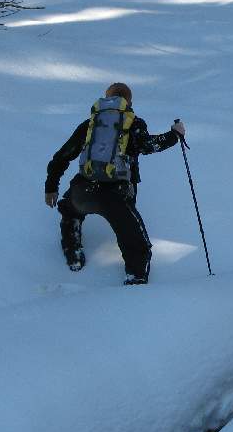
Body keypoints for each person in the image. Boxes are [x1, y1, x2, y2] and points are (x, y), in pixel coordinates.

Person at [44, 82, 185, 285]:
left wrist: (51, 187)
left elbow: (62, 156)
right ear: (129, 102)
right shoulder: (134, 123)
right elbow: (149, 146)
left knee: (69, 209)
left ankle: (73, 253)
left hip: (83, 190)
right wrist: (175, 135)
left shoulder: (91, 124)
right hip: (116, 196)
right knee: (136, 243)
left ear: (106, 98)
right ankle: (136, 282)